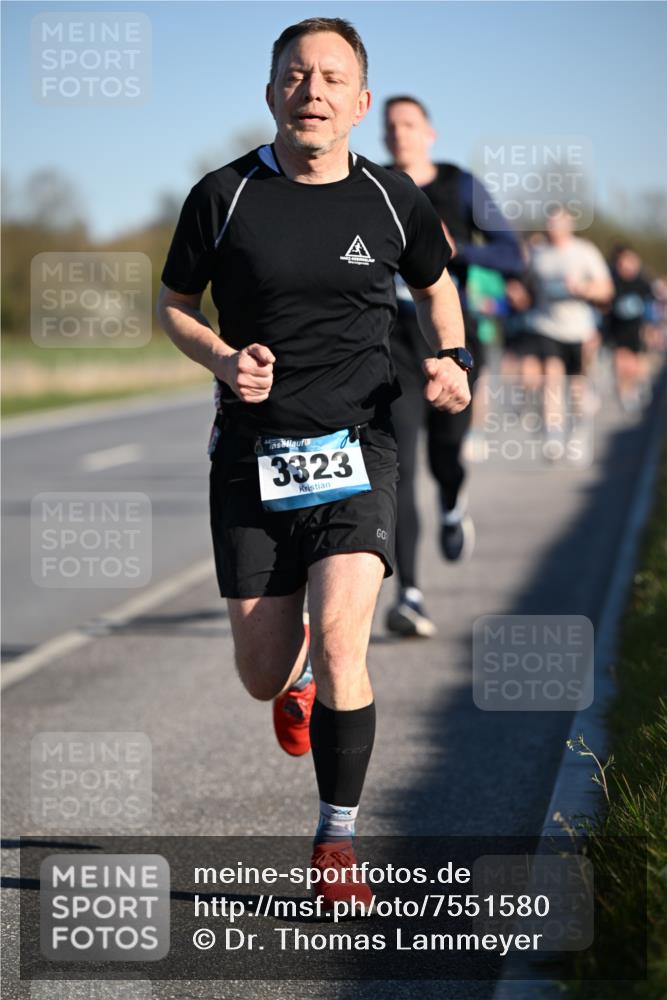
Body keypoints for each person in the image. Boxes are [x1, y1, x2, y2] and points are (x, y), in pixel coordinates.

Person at [157, 18, 469, 910]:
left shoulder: (391, 198)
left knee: (341, 641)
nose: (312, 91)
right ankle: (289, 682)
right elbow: (174, 304)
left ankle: (336, 840)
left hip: (358, 446)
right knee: (262, 672)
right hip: (251, 455)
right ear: (270, 93)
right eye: (296, 76)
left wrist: (453, 360)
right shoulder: (223, 194)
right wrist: (223, 359)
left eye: (332, 78)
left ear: (359, 102)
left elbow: (436, 286)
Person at [382, 96, 522, 638]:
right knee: (399, 467)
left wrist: (457, 249)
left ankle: (452, 502)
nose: (400, 133)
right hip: (392, 341)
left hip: (451, 340)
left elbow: (511, 254)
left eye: (409, 124)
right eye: (391, 126)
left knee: (445, 452)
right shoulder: (373, 184)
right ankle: (410, 595)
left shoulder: (460, 186)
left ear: (430, 134)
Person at [517, 207, 614, 462]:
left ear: (570, 225)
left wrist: (583, 288)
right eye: (550, 222)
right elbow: (527, 286)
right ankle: (554, 434)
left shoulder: (584, 251)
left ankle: (579, 432)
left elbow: (606, 290)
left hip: (578, 330)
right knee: (552, 378)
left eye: (559, 222)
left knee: (577, 387)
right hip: (547, 326)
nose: (554, 227)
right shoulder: (539, 254)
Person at [605, 245, 654, 412]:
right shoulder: (613, 283)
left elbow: (650, 308)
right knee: (621, 365)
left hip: (637, 331)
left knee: (637, 366)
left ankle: (635, 389)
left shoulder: (643, 284)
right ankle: (625, 395)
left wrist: (650, 329)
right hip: (618, 331)